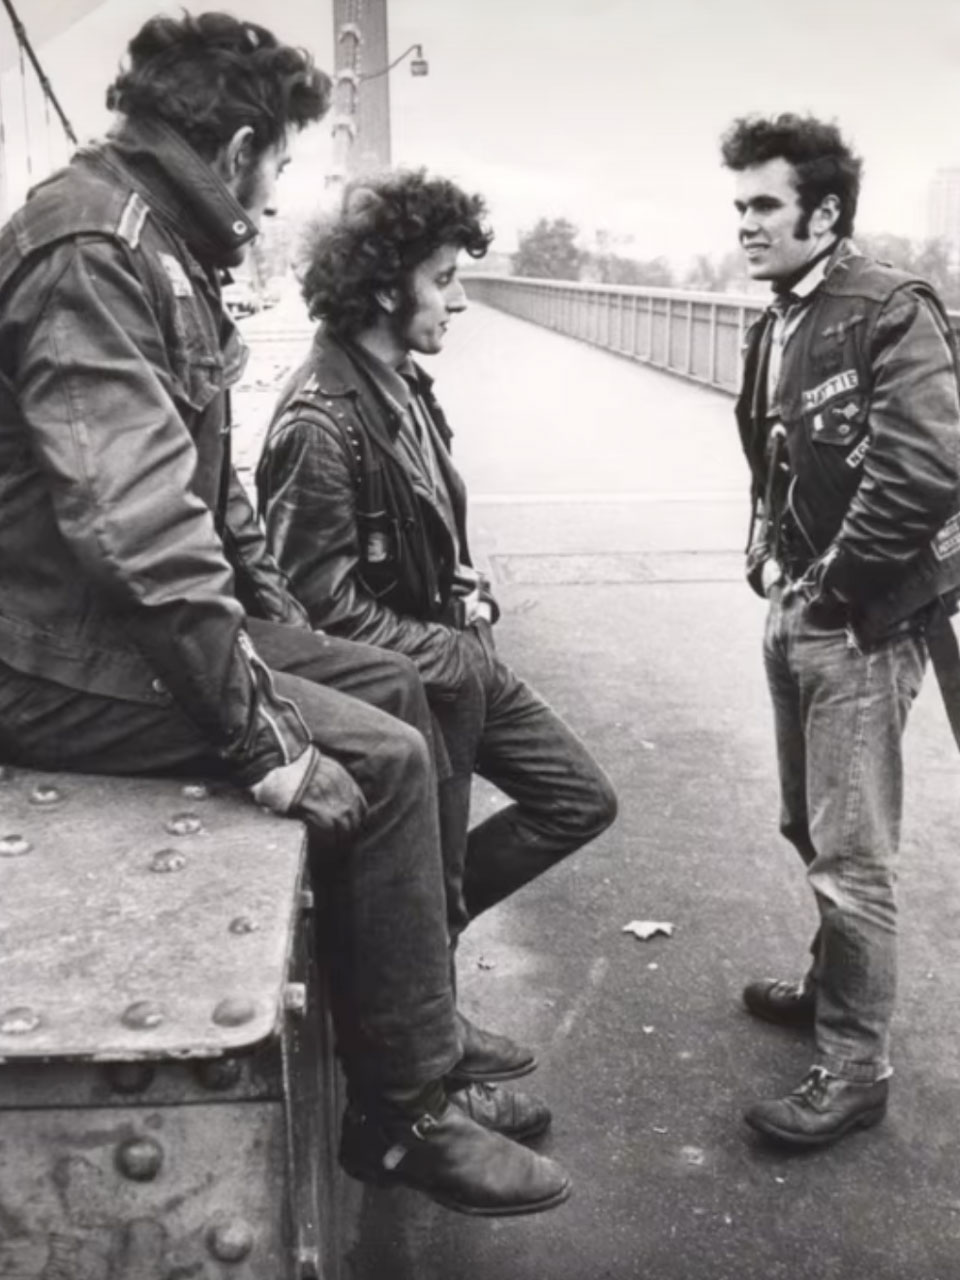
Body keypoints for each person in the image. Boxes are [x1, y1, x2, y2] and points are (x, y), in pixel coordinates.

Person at [0, 12, 570, 1215]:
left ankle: (414, 1019)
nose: (276, 192)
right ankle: (403, 1109)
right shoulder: (94, 253)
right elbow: (136, 527)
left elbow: (216, 500)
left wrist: (281, 629)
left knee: (403, 682)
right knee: (386, 755)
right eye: (281, 162)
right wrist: (268, 737)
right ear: (241, 147)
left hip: (102, 626)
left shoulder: (155, 244)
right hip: (46, 655)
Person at [255, 169, 618, 1080]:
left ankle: (420, 953)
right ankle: (431, 1052)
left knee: (578, 799)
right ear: (387, 287)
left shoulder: (402, 385)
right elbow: (313, 611)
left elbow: (422, 527)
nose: (460, 300)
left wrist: (466, 586)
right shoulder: (320, 422)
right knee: (432, 872)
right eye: (445, 278)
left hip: (452, 658)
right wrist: (448, 648)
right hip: (417, 684)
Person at [722, 113, 960, 1147]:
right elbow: (773, 451)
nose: (745, 223)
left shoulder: (888, 308)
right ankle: (832, 986)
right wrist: (765, 547)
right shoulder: (781, 316)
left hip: (860, 622)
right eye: (739, 205)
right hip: (799, 604)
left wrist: (832, 592)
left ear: (823, 215)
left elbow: (925, 470)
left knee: (852, 855)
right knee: (809, 825)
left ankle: (856, 1066)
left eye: (764, 205)